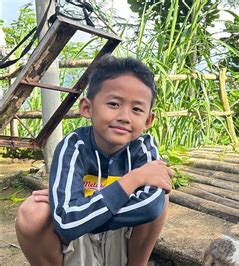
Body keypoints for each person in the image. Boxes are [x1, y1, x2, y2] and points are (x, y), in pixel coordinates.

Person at [15, 55, 173, 266]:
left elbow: (149, 208)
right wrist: (133, 179)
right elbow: (65, 223)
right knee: (32, 212)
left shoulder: (143, 148)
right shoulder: (73, 146)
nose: (125, 116)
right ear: (87, 108)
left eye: (136, 109)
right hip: (76, 243)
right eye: (114, 104)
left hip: (118, 236)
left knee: (161, 198)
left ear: (148, 120)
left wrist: (79, 212)